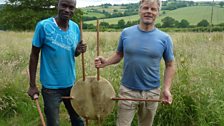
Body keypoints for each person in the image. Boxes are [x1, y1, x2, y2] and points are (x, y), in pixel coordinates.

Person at [95, 0, 175, 126]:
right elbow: (119, 54)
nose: (149, 11)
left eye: (153, 9)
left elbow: (170, 65)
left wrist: (166, 89)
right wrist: (106, 62)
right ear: (139, 10)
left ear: (158, 13)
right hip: (127, 90)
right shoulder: (126, 33)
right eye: (145, 8)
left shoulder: (165, 38)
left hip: (152, 93)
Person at [27, 0, 86, 125]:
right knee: (53, 123)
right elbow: (34, 55)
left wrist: (78, 51)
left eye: (71, 7)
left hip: (71, 84)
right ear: (57, 5)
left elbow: (72, 54)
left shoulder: (75, 27)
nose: (67, 10)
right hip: (51, 88)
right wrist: (32, 85)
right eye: (64, 5)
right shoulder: (43, 26)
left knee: (78, 120)